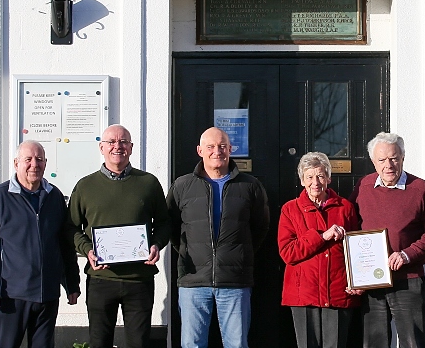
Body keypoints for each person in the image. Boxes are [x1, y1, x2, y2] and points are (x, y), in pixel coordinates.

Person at [67, 124, 170, 348]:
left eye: (123, 142)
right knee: (99, 342)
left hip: (139, 279)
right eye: (111, 142)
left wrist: (156, 245)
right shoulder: (85, 186)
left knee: (138, 343)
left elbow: (164, 223)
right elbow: (72, 228)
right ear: (101, 148)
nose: (117, 146)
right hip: (101, 279)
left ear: (131, 148)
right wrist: (87, 251)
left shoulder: (149, 183)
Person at [166, 127, 270, 348]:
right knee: (192, 344)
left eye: (222, 146)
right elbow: (172, 228)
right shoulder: (182, 186)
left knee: (237, 344)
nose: (217, 151)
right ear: (199, 150)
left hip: (235, 279)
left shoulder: (250, 186)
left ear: (231, 149)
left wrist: (240, 255)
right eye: (211, 146)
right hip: (193, 280)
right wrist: (190, 252)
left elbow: (260, 227)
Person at [0, 140, 80, 348]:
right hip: (11, 295)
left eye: (39, 159)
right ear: (16, 163)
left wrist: (71, 283)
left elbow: (65, 246)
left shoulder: (54, 196)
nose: (34, 164)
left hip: (47, 295)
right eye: (28, 159)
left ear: (46, 163)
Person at [349, 132, 425, 348]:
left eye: (394, 158)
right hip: (372, 280)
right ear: (373, 161)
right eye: (382, 160)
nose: (388, 165)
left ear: (403, 157)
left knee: (413, 342)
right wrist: (355, 272)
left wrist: (407, 254)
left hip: (408, 278)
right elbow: (351, 226)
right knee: (374, 342)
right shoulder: (363, 186)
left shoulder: (420, 188)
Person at [278, 152, 362, 348]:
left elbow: (355, 250)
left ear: (329, 178)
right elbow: (288, 252)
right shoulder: (290, 210)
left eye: (321, 176)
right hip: (304, 293)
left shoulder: (345, 208)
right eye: (309, 177)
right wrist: (321, 236)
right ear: (302, 180)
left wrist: (358, 281)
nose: (315, 182)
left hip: (338, 290)